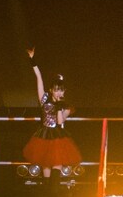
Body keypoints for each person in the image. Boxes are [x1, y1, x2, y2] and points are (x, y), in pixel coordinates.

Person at [22, 47, 81, 180]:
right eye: (56, 90)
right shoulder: (44, 99)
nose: (59, 93)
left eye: (61, 90)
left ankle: (55, 196)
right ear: (51, 90)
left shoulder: (66, 107)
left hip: (57, 138)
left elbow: (60, 122)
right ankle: (47, 196)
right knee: (46, 171)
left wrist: (59, 107)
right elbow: (39, 77)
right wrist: (32, 60)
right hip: (43, 136)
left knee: (56, 172)